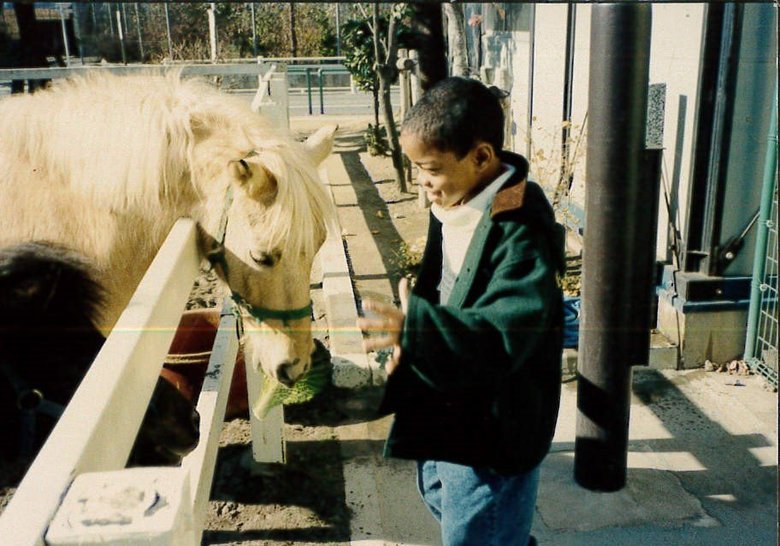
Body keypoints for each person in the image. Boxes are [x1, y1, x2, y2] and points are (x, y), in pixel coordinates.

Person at [357, 76, 565, 546]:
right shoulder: (457, 198)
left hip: (494, 424)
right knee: (440, 492)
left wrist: (420, 331)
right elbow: (440, 285)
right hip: (453, 400)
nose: (421, 183)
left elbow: (507, 330)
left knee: (476, 530)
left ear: (482, 157)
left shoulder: (520, 231)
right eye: (415, 168)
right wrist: (413, 349)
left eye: (429, 169)